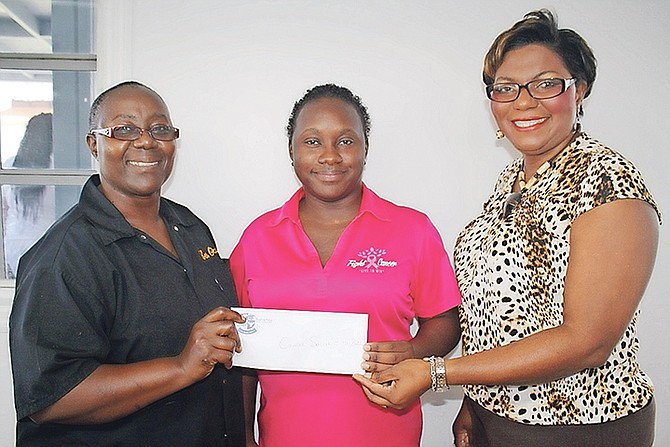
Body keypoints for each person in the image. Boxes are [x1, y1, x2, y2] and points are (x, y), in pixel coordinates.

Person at [354, 10, 661, 447]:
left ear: (581, 89)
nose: (524, 101)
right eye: (506, 88)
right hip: (500, 421)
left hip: (579, 428)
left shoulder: (607, 183)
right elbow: (498, 312)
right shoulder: (511, 182)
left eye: (546, 83)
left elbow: (587, 341)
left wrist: (438, 374)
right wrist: (474, 402)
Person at [9, 81, 246, 446]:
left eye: (159, 129)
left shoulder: (191, 227)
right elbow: (51, 397)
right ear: (94, 143)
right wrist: (180, 368)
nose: (146, 141)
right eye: (125, 130)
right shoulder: (64, 256)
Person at [229, 83, 462, 446]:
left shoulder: (413, 230)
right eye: (312, 141)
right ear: (291, 151)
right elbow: (241, 349)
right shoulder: (257, 238)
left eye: (346, 141)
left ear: (365, 148)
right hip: (283, 437)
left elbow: (446, 322)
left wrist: (415, 350)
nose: (330, 156)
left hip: (387, 435)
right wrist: (243, 433)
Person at [3, 112, 55, 278]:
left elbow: (5, 209)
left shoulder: (11, 165)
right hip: (46, 247)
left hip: (13, 248)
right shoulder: (58, 166)